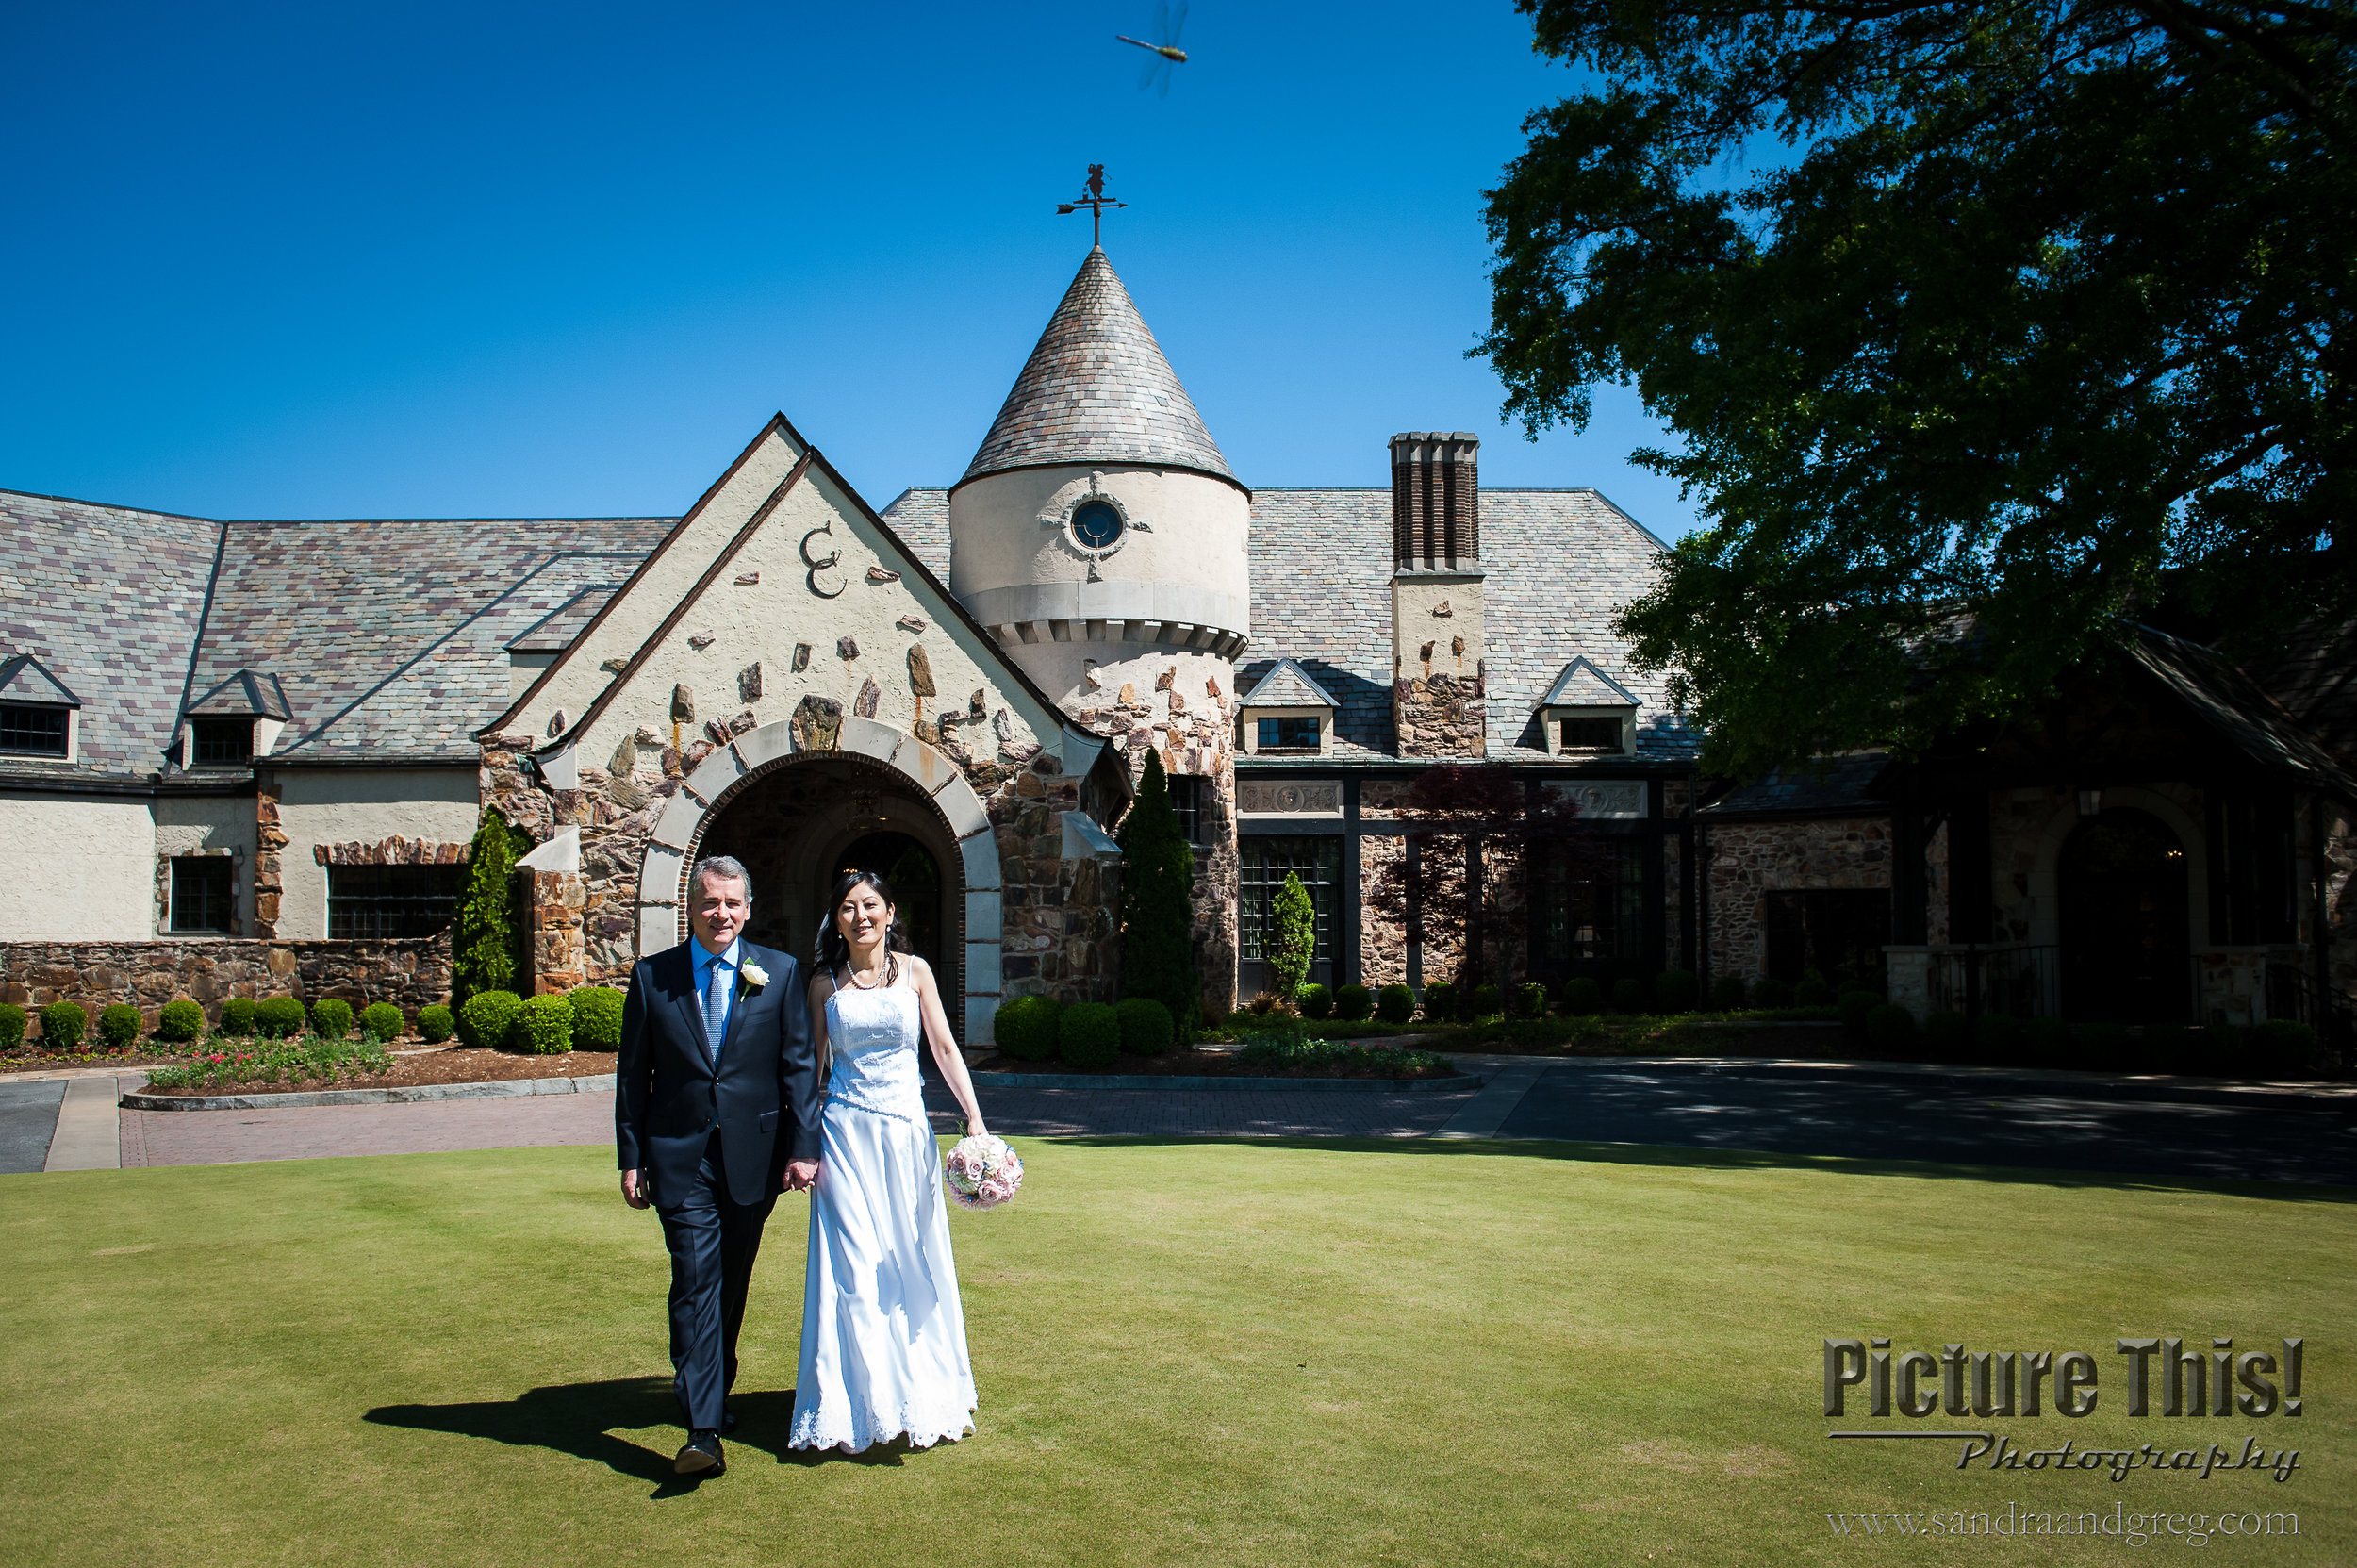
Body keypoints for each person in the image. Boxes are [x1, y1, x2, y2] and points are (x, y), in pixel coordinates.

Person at [616, 854, 821, 1479]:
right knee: (696, 1277)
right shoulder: (654, 977)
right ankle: (703, 1430)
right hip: (677, 1156)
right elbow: (633, 1077)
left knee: (730, 1281)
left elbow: (798, 1067)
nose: (721, 913)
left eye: (732, 902)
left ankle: (708, 1385)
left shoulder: (779, 973)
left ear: (748, 907)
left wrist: (804, 1145)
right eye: (710, 902)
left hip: (753, 1157)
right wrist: (630, 1158)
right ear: (692, 906)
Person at [789, 867, 990, 1452]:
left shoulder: (918, 973)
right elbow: (809, 1073)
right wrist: (801, 1148)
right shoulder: (824, 984)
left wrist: (974, 1121)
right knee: (852, 1267)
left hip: (906, 1137)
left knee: (911, 1260)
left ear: (891, 911)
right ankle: (859, 1403)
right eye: (849, 907)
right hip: (845, 1139)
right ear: (837, 919)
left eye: (870, 904)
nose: (861, 916)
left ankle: (920, 1388)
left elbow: (945, 1048)